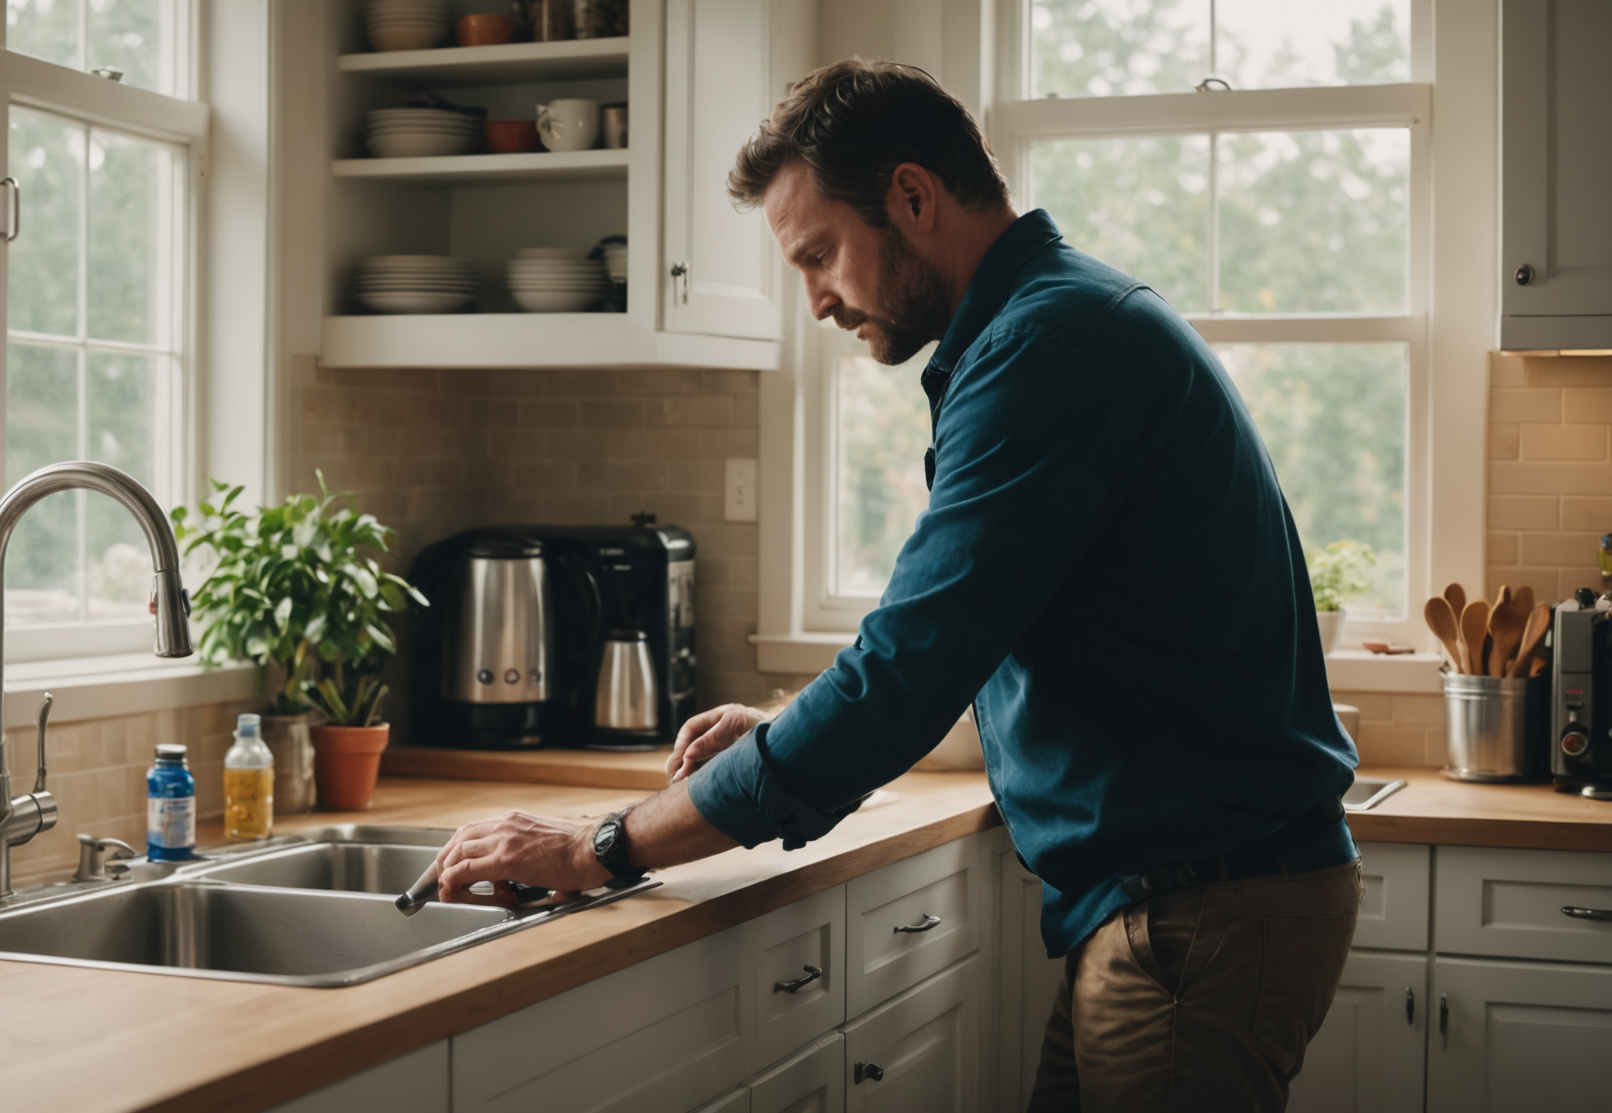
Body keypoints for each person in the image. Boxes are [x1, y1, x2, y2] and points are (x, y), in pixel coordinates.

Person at [431, 58, 1361, 1112]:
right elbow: (959, 647)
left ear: (912, 198)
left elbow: (906, 673)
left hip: (1197, 915)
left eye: (820, 254)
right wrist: (789, 733)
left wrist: (600, 846)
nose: (817, 299)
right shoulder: (1056, 325)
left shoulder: (1045, 350)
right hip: (1176, 906)